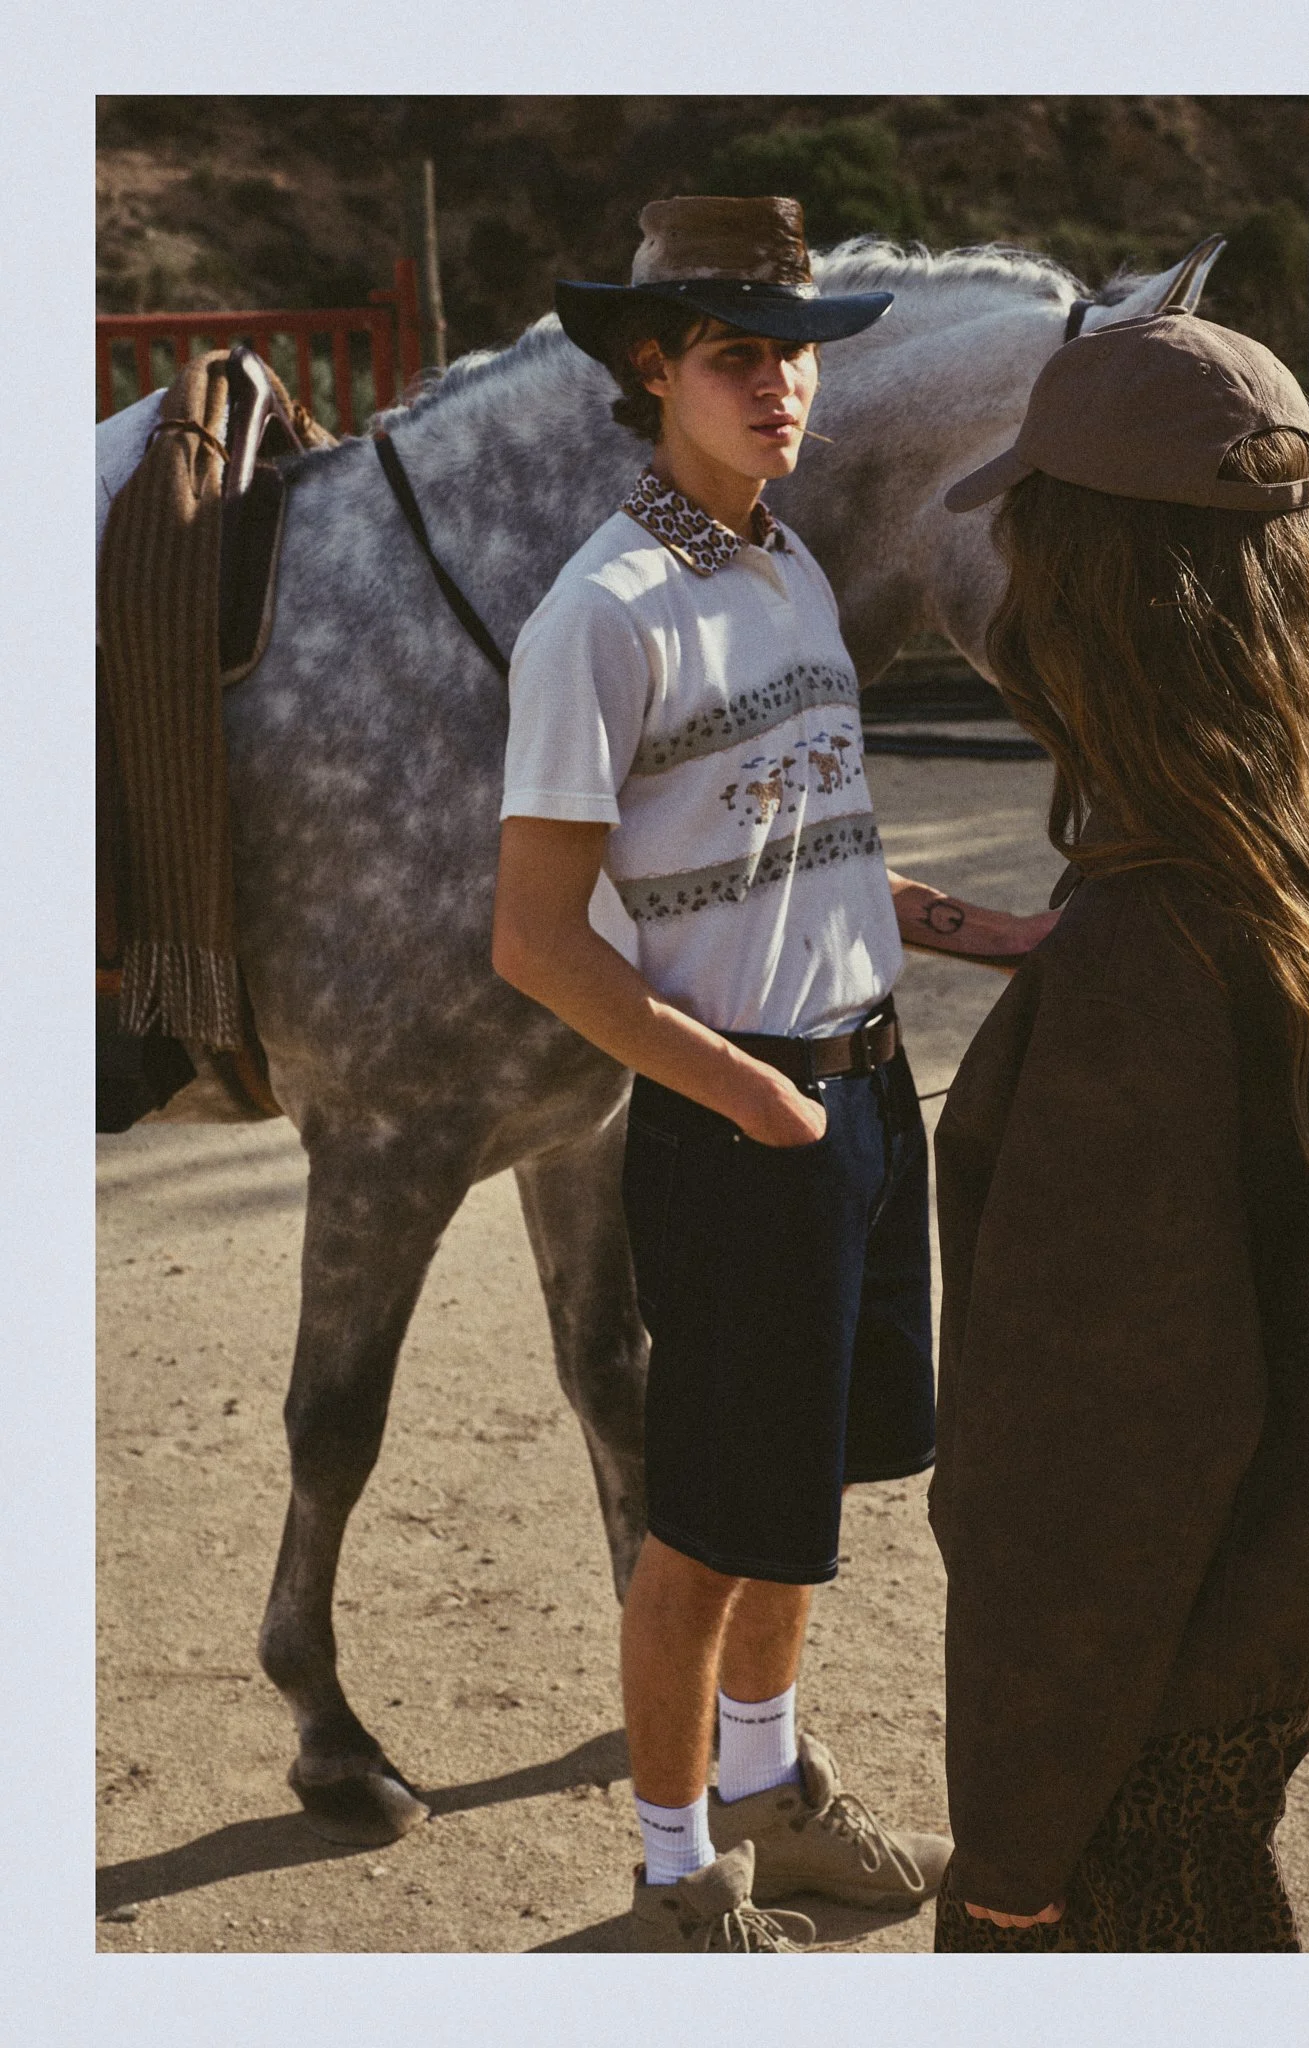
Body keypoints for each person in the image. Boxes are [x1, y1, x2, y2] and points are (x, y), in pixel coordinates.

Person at [491, 195, 1055, 1952]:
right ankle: (671, 1870)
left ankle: (771, 1792)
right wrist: (737, 1093)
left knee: (800, 1503)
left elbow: (801, 853)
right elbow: (540, 940)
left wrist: (985, 933)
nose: (781, 387)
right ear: (651, 370)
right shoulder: (604, 610)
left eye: (797, 354)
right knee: (712, 1522)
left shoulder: (793, 565)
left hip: (863, 1096)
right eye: (738, 356)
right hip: (744, 1120)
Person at [928, 312, 1309, 1952]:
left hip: (1128, 1746)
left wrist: (1013, 1864)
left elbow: (1094, 1476)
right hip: (1261, 1650)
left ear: (1086, 597)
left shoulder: (1146, 963)